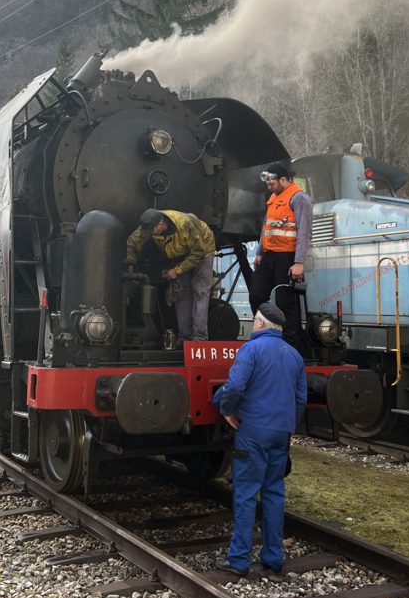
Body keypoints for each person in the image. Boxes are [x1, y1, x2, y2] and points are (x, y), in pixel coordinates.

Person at [212, 301, 307, 577]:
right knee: (274, 493)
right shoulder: (294, 355)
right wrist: (290, 430)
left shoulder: (250, 350)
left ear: (261, 323)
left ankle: (239, 559)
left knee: (245, 495)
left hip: (253, 432)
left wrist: (226, 409)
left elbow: (236, 386)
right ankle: (273, 558)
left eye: (254, 320)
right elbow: (300, 399)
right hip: (281, 433)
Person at [250, 160, 312, 350]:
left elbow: (304, 232)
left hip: (287, 257)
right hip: (269, 256)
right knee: (256, 295)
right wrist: (260, 252)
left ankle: (291, 345)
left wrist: (299, 262)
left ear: (284, 180)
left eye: (271, 182)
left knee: (286, 302)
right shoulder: (274, 198)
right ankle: (268, 334)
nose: (268, 186)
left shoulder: (299, 198)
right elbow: (266, 228)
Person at [127, 208, 215, 342]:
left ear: (161, 224)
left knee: (200, 291)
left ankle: (199, 336)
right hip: (180, 254)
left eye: (152, 231)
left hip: (202, 250)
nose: (149, 234)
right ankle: (184, 336)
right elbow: (131, 244)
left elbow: (199, 252)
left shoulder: (186, 224)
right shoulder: (149, 224)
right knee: (181, 294)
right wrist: (130, 270)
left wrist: (177, 270)